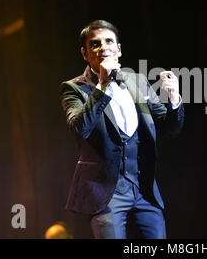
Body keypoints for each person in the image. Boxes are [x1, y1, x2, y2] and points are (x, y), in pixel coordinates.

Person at [59, 20, 184, 239]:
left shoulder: (138, 81)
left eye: (109, 41)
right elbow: (79, 128)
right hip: (107, 193)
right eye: (94, 44)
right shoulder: (74, 88)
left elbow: (169, 128)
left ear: (118, 49)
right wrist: (103, 85)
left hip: (144, 190)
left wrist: (174, 100)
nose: (103, 47)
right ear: (85, 54)